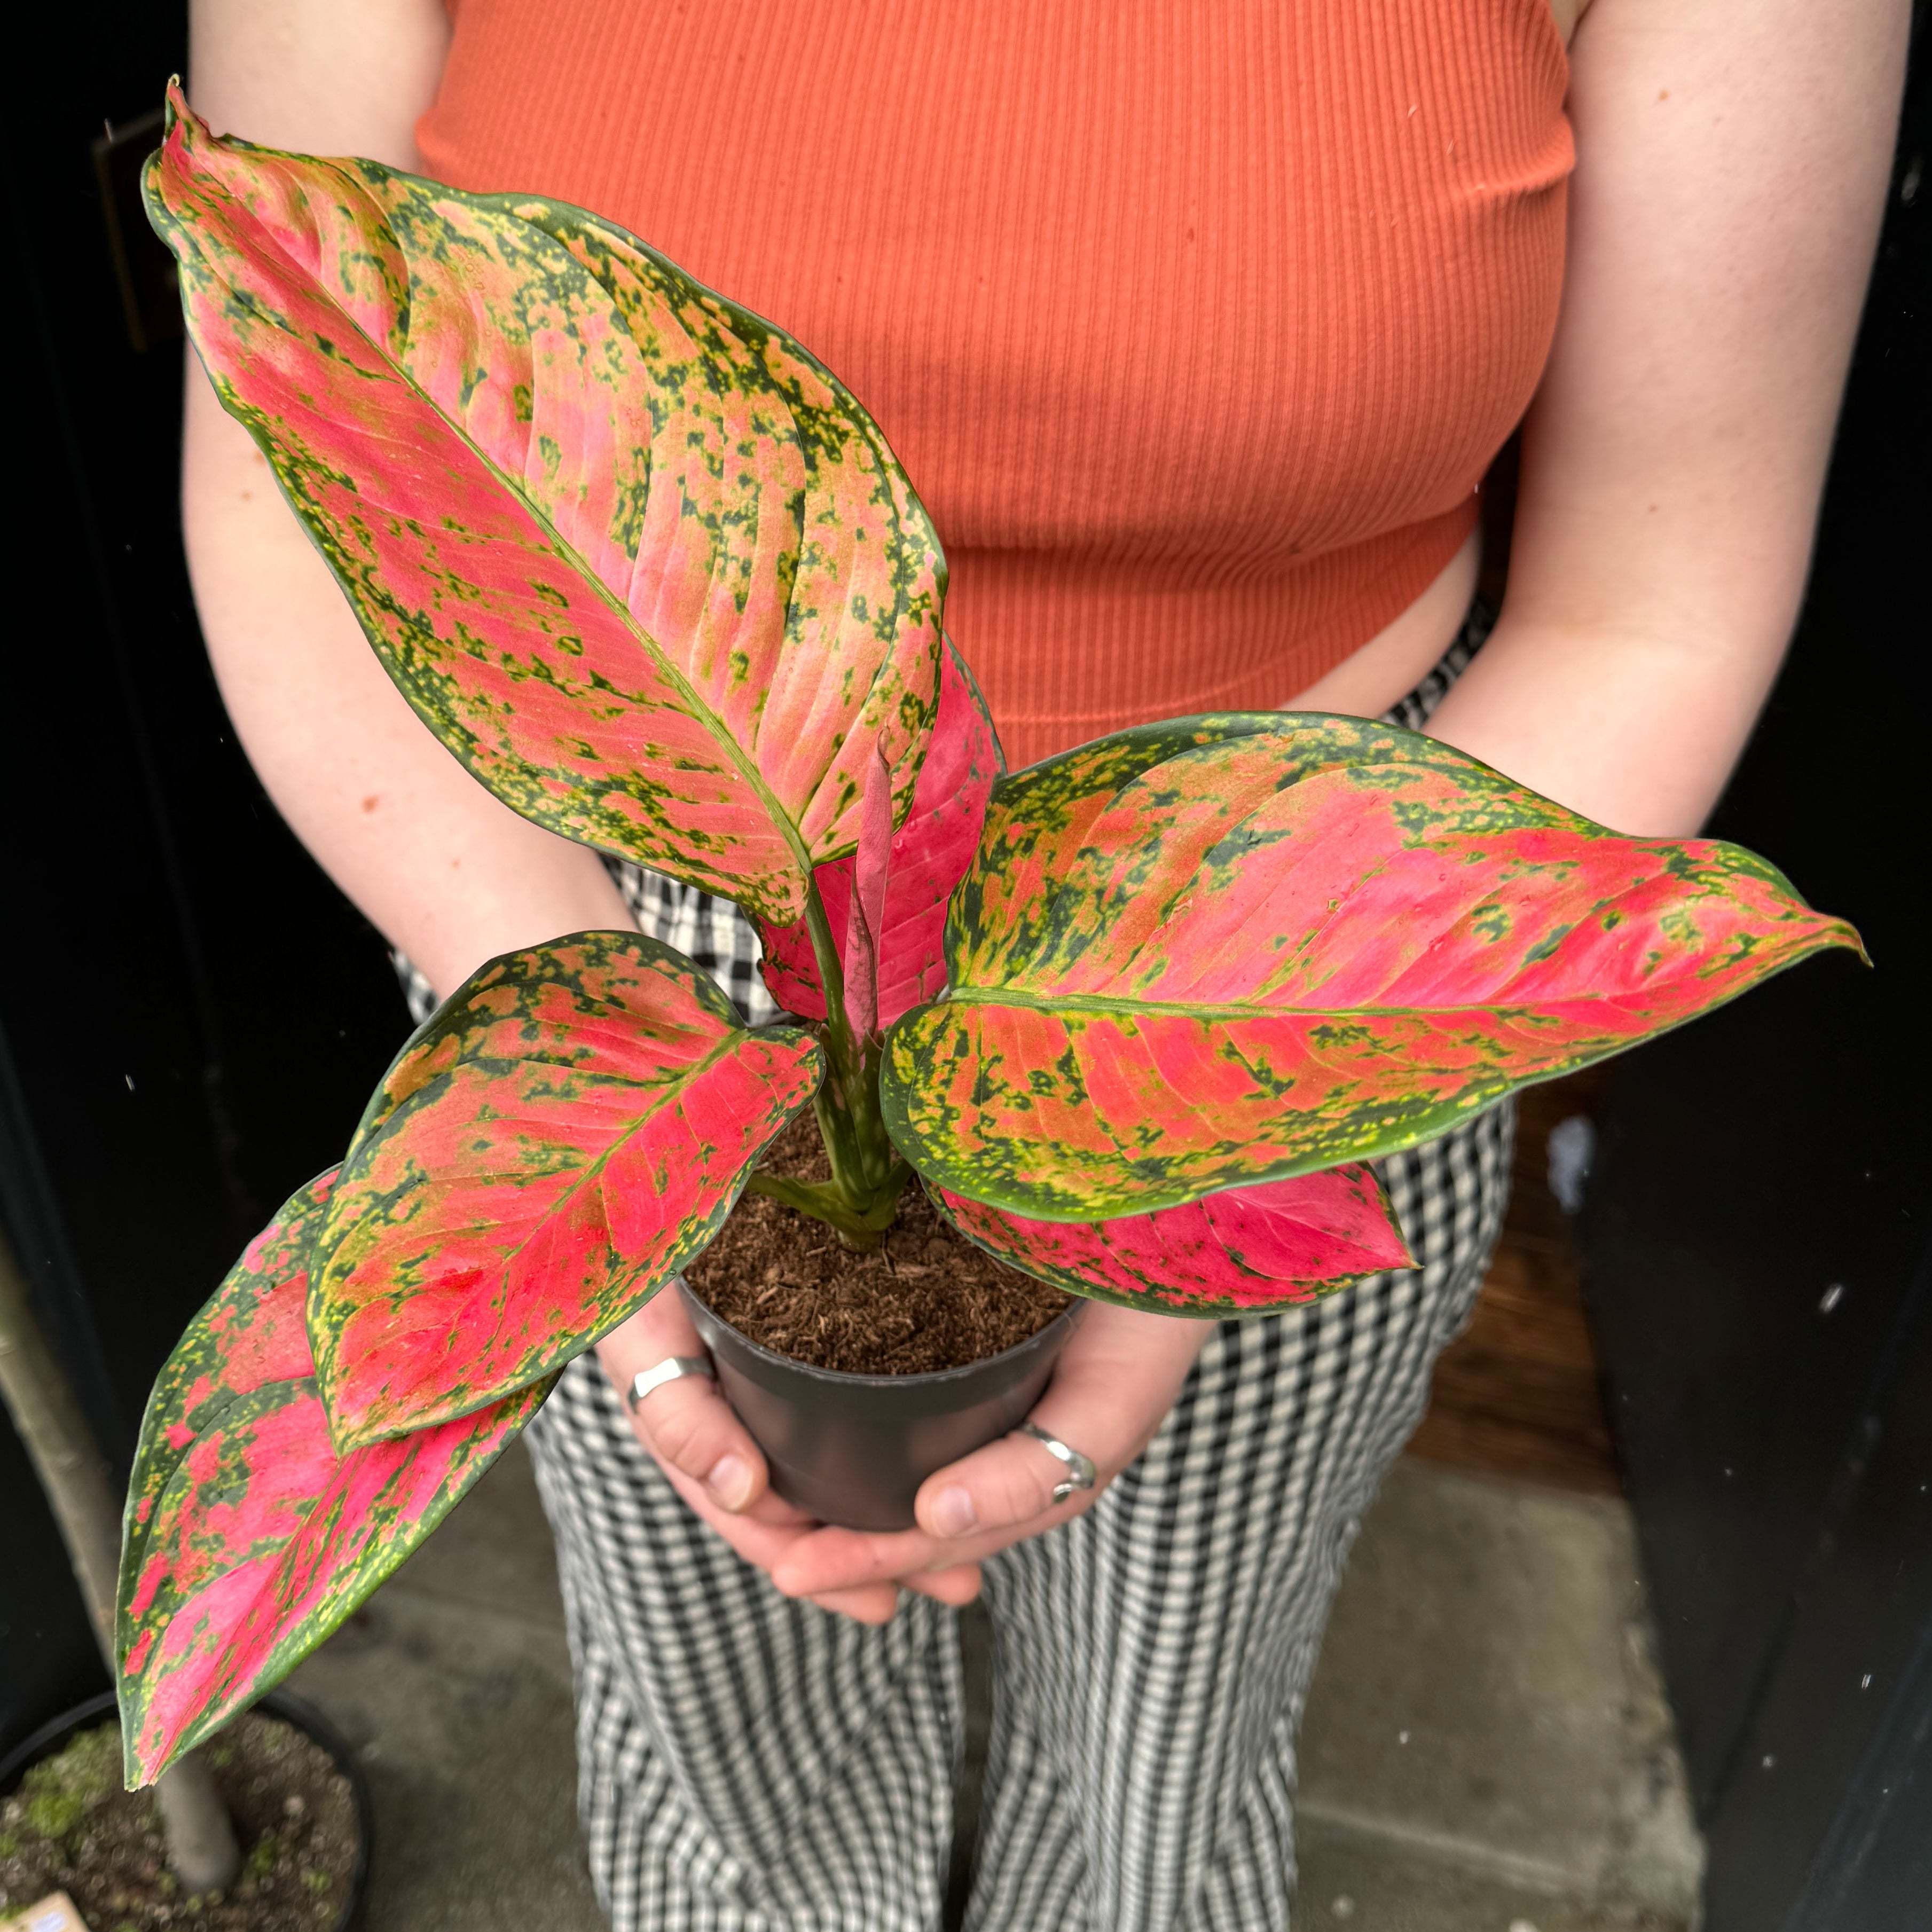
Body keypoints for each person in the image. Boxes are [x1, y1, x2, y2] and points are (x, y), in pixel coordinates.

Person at [184, 2, 1906, 1925]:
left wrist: (1194, 1194)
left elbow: (1650, 600)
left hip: (1266, 978)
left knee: (1169, 1731)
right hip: (584, 914)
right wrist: (594, 1164)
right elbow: (293, 460)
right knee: (724, 1727)